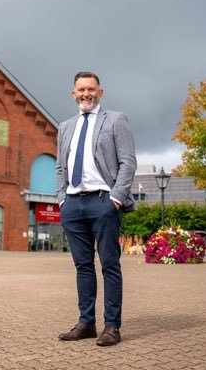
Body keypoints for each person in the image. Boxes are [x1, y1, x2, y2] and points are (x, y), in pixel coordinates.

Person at [56, 71, 137, 346]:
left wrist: (115, 198)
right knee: (83, 266)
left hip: (104, 202)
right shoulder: (65, 126)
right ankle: (86, 323)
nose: (86, 94)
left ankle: (112, 326)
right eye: (81, 90)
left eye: (91, 89)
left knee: (110, 265)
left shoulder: (116, 120)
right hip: (73, 203)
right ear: (73, 93)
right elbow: (60, 167)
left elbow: (128, 163)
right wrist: (61, 200)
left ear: (99, 92)